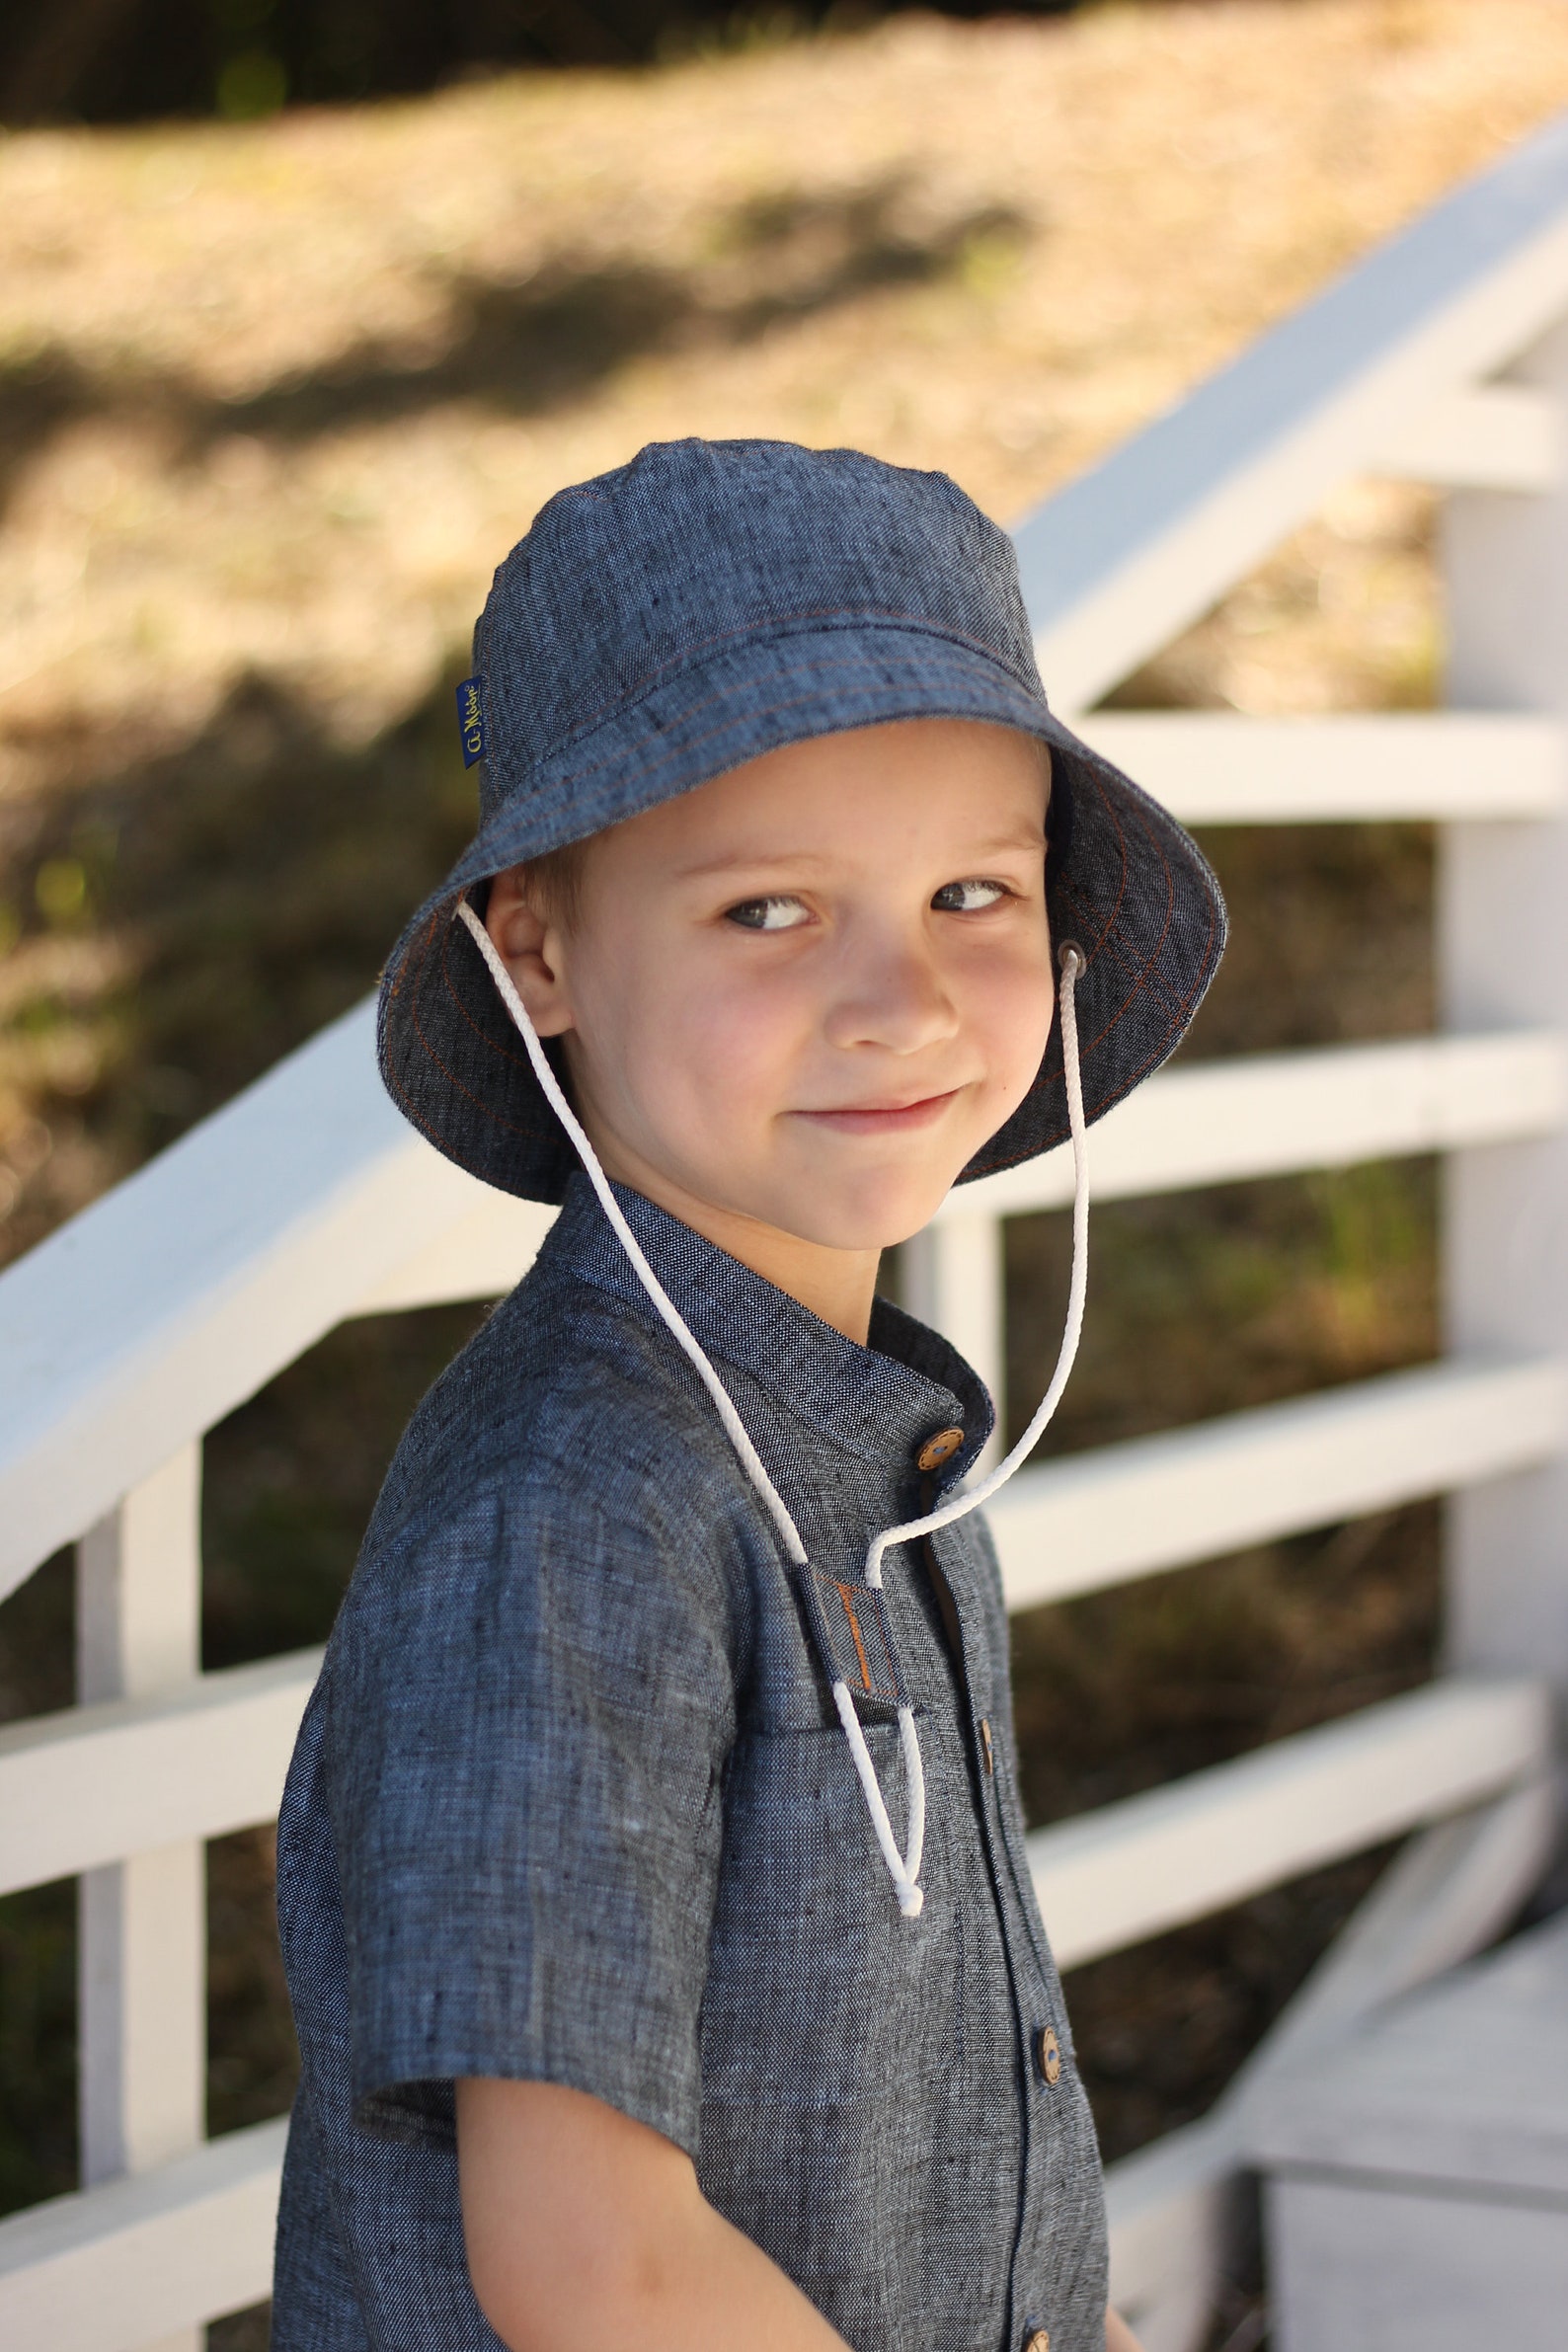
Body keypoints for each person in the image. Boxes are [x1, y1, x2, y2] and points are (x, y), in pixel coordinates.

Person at [272, 437, 1225, 2352]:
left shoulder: (868, 1455)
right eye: (767, 914)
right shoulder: (577, 1509)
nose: (900, 1002)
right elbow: (596, 2272)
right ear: (536, 946)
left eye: (969, 891)